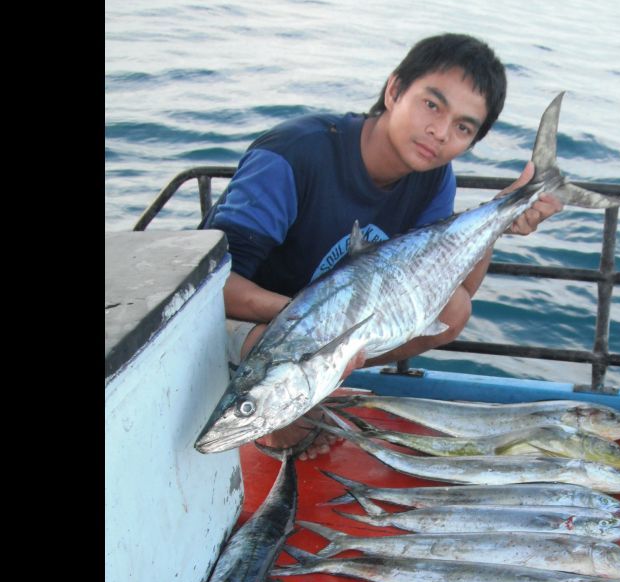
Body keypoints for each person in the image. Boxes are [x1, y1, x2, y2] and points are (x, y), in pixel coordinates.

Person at [206, 33, 562, 456]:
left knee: (452, 312)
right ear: (394, 91)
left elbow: (452, 293)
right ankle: (288, 404)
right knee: (271, 357)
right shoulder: (292, 157)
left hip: (318, 332)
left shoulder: (432, 177)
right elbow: (211, 287)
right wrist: (308, 322)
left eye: (463, 127)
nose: (440, 132)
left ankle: (316, 384)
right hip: (237, 323)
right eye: (432, 105)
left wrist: (500, 218)